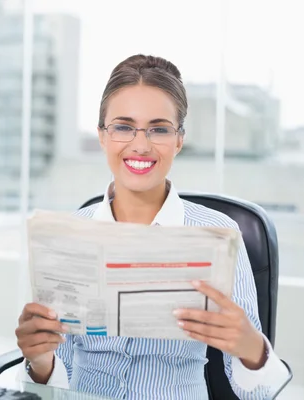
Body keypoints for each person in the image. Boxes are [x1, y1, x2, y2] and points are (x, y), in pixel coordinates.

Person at [15, 54, 289, 399]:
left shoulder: (219, 234)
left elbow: (256, 395)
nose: (140, 144)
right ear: (102, 135)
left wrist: (254, 351)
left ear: (179, 139)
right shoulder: (72, 233)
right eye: (123, 126)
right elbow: (60, 375)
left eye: (159, 128)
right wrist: (40, 363)